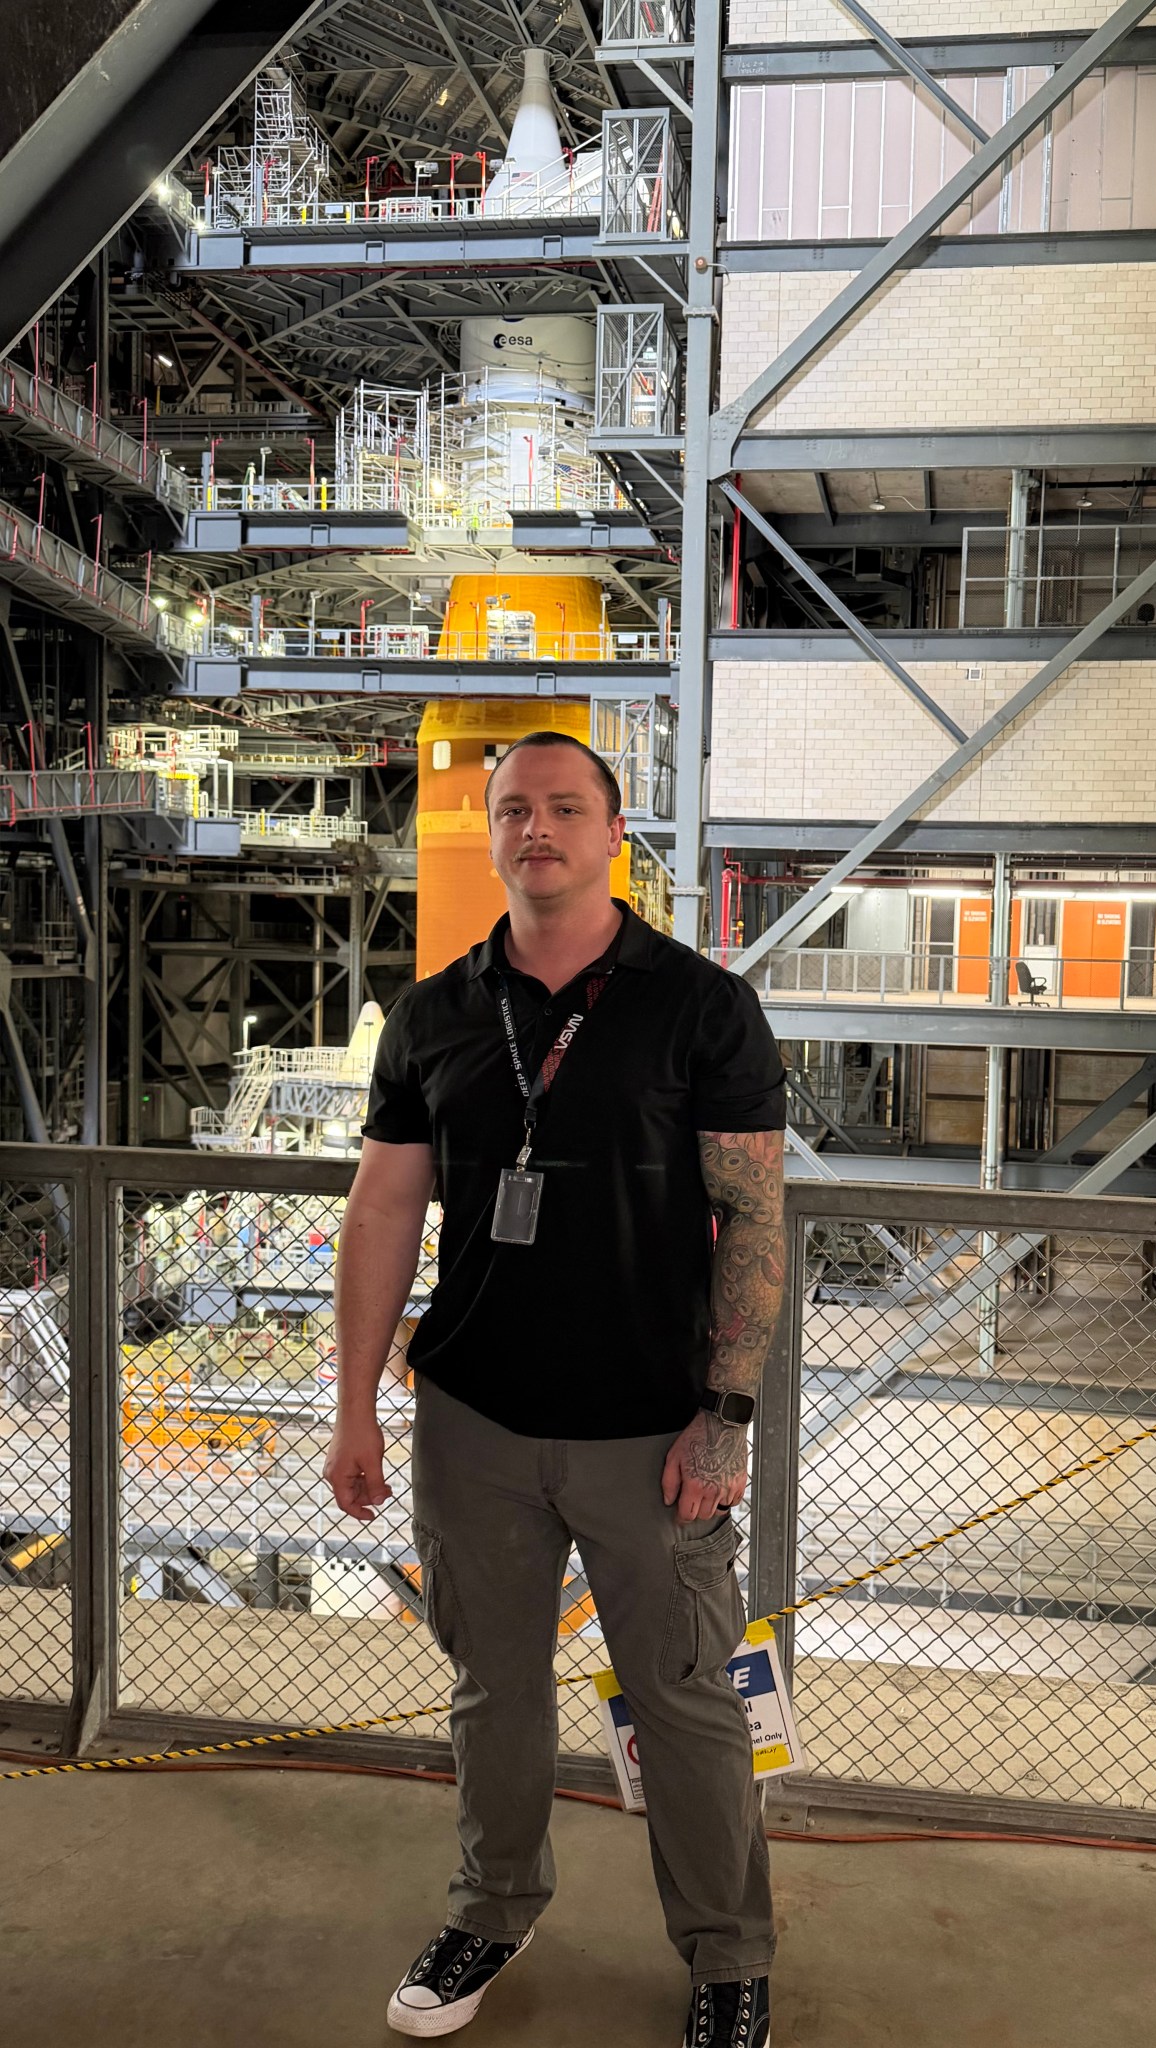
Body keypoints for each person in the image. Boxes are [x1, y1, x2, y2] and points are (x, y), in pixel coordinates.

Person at [323, 730, 786, 2047]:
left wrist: (726, 1415)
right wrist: (356, 1407)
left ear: (610, 832)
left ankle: (727, 1956)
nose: (536, 828)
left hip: (650, 1430)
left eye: (564, 807)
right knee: (492, 1690)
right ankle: (490, 1907)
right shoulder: (435, 1015)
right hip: (473, 1421)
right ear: (489, 832)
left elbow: (754, 1223)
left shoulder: (700, 1008)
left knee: (688, 1700)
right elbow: (381, 1215)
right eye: (512, 809)